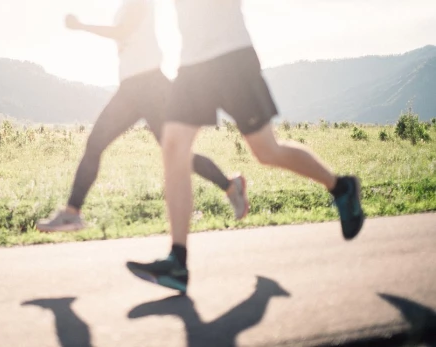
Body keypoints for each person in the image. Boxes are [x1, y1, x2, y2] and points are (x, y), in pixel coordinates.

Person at [127, 0, 365, 294]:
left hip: (231, 56)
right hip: (192, 65)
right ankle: (178, 260)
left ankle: (340, 186)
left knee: (266, 151)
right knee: (173, 147)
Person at [36, 0, 248, 232]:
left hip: (150, 86)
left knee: (174, 153)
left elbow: (124, 31)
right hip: (131, 88)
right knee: (96, 144)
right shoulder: (123, 7)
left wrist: (82, 26)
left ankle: (230, 186)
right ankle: (72, 214)